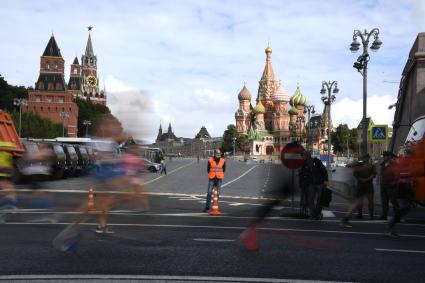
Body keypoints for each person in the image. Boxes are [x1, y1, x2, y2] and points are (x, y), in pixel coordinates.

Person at [341, 154, 377, 227]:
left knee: (367, 201)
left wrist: (367, 179)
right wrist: (362, 179)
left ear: (368, 158)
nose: (365, 159)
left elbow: (374, 174)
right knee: (358, 203)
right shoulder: (359, 165)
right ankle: (347, 219)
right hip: (361, 185)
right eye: (364, 158)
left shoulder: (371, 166)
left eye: (366, 158)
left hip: (368, 185)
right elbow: (355, 173)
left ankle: (370, 215)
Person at [299, 151, 328, 219]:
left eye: (303, 156)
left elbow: (324, 171)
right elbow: (303, 175)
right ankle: (314, 214)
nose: (302, 157)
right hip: (311, 184)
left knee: (320, 200)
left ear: (307, 156)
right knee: (310, 199)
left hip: (320, 183)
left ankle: (317, 213)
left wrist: (326, 180)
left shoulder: (316, 161)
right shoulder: (304, 164)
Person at [379, 151, 398, 220]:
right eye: (384, 156)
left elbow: (397, 174)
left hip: (391, 185)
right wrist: (380, 182)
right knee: (384, 201)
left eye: (386, 156)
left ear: (390, 156)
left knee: (393, 201)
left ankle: (397, 217)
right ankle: (384, 216)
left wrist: (394, 182)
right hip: (383, 185)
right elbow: (381, 174)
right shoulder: (383, 164)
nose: (384, 157)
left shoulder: (394, 164)